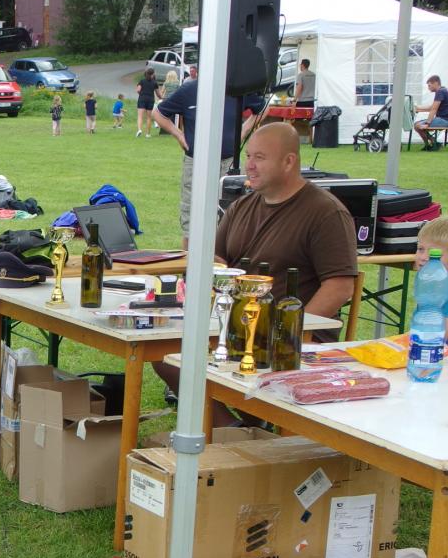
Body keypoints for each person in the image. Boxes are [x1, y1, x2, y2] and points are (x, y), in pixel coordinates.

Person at [153, 123, 358, 425]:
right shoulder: (241, 206)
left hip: (291, 336)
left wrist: (289, 335)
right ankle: (233, 429)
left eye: (259, 157)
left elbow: (340, 287)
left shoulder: (325, 213)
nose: (249, 165)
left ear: (288, 162)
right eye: (248, 156)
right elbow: (216, 262)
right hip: (232, 327)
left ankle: (246, 427)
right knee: (165, 353)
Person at [152, 73, 265, 248]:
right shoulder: (189, 90)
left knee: (229, 218)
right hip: (196, 163)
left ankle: (221, 262)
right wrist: (179, 134)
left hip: (228, 163)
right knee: (191, 223)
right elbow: (158, 113)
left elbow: (263, 109)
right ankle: (189, 264)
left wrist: (243, 131)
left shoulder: (236, 90)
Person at [413, 216, 448, 340]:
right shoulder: (429, 283)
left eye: (434, 253)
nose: (423, 257)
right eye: (420, 249)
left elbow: (439, 336)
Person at [413, 74, 448, 151]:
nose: (428, 88)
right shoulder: (443, 90)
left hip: (445, 120)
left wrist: (427, 123)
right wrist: (417, 107)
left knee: (417, 126)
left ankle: (431, 144)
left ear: (436, 83)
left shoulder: (440, 92)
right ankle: (433, 143)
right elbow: (432, 107)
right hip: (443, 119)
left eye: (429, 85)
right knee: (417, 125)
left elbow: (433, 109)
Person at [135, 68, 160, 137]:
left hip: (142, 99)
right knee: (149, 117)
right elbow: (158, 94)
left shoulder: (142, 81)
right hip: (150, 100)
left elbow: (138, 90)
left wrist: (141, 94)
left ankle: (139, 130)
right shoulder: (154, 83)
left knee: (140, 116)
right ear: (153, 74)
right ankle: (148, 134)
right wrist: (162, 98)